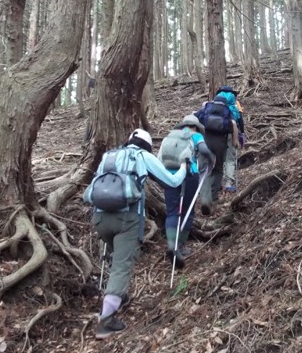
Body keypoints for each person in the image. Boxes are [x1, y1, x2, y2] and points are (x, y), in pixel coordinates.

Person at [83, 128, 188, 339]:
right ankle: (106, 321)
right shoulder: (142, 156)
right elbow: (172, 181)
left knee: (116, 259)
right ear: (147, 146)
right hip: (128, 219)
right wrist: (184, 166)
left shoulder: (108, 156)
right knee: (122, 265)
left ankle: (118, 295)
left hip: (100, 218)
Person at [157, 115, 215, 267]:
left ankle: (171, 244)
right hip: (189, 175)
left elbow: (160, 158)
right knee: (188, 211)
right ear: (195, 126)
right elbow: (204, 150)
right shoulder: (195, 136)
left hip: (169, 176)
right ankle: (180, 245)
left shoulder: (170, 136)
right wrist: (211, 160)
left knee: (172, 211)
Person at [195, 89, 239, 215]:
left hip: (206, 140)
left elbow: (196, 118)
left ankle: (204, 199)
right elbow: (234, 124)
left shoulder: (207, 107)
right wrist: (235, 141)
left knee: (204, 170)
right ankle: (213, 199)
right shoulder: (227, 111)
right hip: (221, 143)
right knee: (218, 169)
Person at [218, 85, 246, 192]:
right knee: (230, 159)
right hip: (231, 133)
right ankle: (228, 183)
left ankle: (218, 182)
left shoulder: (216, 103)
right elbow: (240, 120)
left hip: (217, 134)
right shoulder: (235, 103)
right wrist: (242, 133)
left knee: (219, 159)